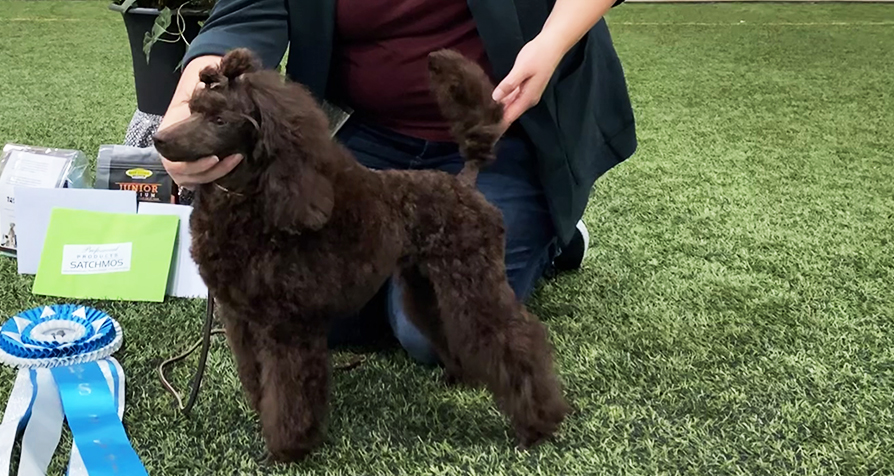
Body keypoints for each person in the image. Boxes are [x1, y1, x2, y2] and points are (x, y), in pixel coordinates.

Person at [155, 0, 637, 365]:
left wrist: (551, 43)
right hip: (369, 134)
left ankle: (553, 230)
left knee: (433, 335)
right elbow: (245, 10)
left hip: (507, 131)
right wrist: (191, 106)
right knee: (304, 300)